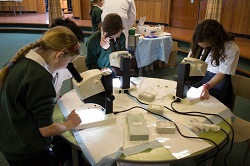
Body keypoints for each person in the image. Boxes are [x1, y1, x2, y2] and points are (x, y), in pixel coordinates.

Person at [0, 26, 82, 166]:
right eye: (69, 62)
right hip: (27, 152)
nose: (68, 66)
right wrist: (70, 123)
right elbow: (46, 130)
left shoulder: (21, 59)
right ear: (59, 55)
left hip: (10, 138)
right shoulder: (41, 78)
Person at [189, 19, 240, 108]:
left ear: (216, 41)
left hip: (218, 80)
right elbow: (190, 60)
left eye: (207, 47)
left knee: (212, 107)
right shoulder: (199, 44)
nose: (204, 50)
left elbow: (221, 74)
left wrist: (207, 86)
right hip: (201, 74)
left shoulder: (231, 48)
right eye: (202, 47)